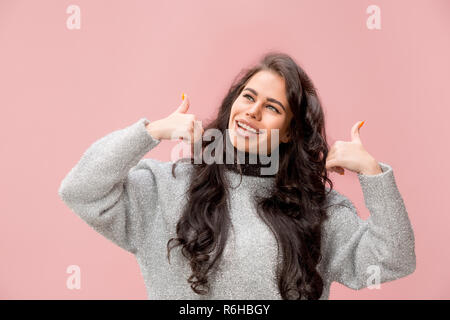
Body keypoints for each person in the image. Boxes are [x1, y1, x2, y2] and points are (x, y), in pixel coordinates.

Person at [58, 52, 416, 300]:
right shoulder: (166, 186)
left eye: (272, 107)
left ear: (290, 132)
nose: (253, 112)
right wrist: (150, 132)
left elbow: (394, 258)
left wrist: (372, 174)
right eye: (248, 97)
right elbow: (82, 189)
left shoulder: (317, 210)